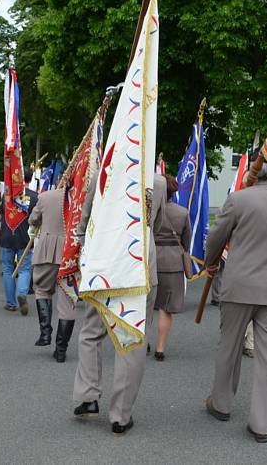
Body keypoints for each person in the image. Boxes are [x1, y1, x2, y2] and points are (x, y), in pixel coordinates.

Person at [72, 174, 166, 435]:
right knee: (132, 339)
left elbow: (85, 219)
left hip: (106, 264)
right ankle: (121, 415)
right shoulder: (157, 183)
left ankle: (88, 395)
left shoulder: (105, 172)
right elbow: (156, 225)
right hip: (140, 266)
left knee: (91, 332)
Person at [203, 163, 267, 443]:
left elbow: (217, 236)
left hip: (239, 285)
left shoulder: (238, 198)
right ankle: (262, 423)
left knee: (229, 347)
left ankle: (222, 404)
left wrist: (210, 261)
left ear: (255, 175)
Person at [28, 186, 77, 361]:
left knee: (41, 288)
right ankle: (61, 350)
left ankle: (45, 332)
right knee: (68, 301)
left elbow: (33, 220)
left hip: (48, 250)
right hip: (71, 254)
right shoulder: (80, 199)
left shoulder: (45, 197)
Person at [152, 174, 192, 361]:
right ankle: (160, 349)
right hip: (173, 264)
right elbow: (186, 243)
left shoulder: (148, 211)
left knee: (145, 305)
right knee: (166, 308)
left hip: (151, 261)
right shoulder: (182, 213)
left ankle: (141, 343)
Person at [0, 169, 38, 315]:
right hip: (25, 238)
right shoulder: (35, 197)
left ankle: (10, 303)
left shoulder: (7, 195)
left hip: (7, 236)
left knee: (8, 269)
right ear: (31, 179)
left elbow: (2, 212)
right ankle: (22, 292)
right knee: (24, 269)